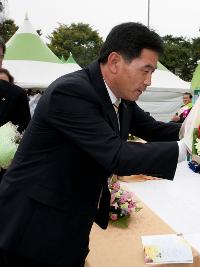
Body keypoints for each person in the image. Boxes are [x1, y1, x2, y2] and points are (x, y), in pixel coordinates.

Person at [0, 22, 187, 267]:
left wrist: (197, 131)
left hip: (71, 221)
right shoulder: (70, 92)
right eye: (146, 70)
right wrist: (188, 150)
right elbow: (117, 155)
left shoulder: (121, 97)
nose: (149, 81)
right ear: (115, 61)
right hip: (32, 228)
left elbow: (154, 129)